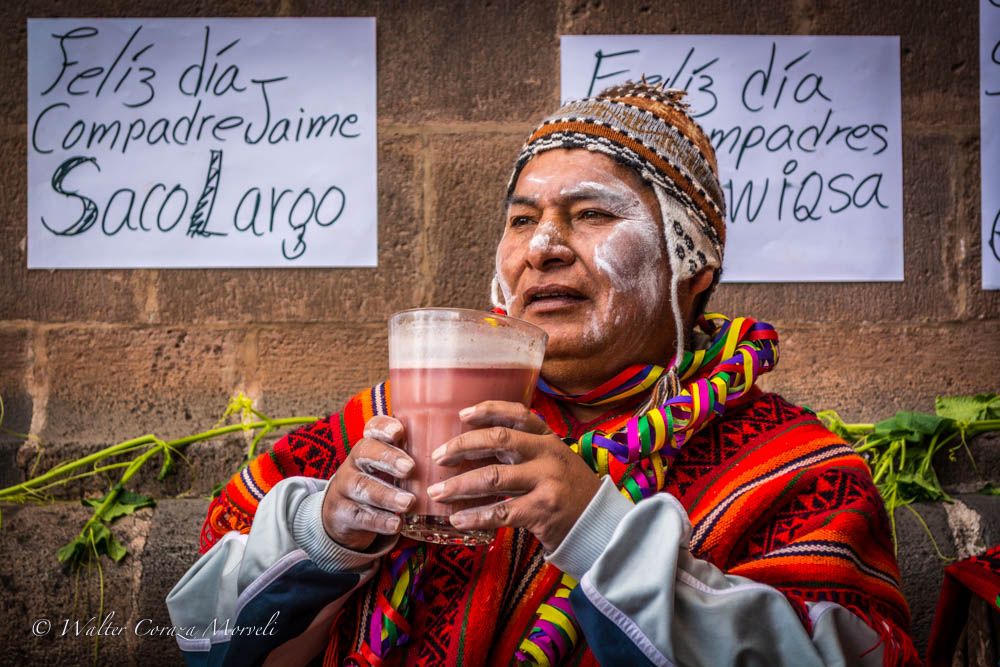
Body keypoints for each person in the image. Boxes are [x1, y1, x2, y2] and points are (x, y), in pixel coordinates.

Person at [166, 82, 920, 666]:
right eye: (523, 219)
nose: (543, 247)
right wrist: (325, 537)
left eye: (591, 214)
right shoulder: (393, 421)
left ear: (692, 266)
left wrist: (592, 527)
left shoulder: (789, 463)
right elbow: (206, 638)